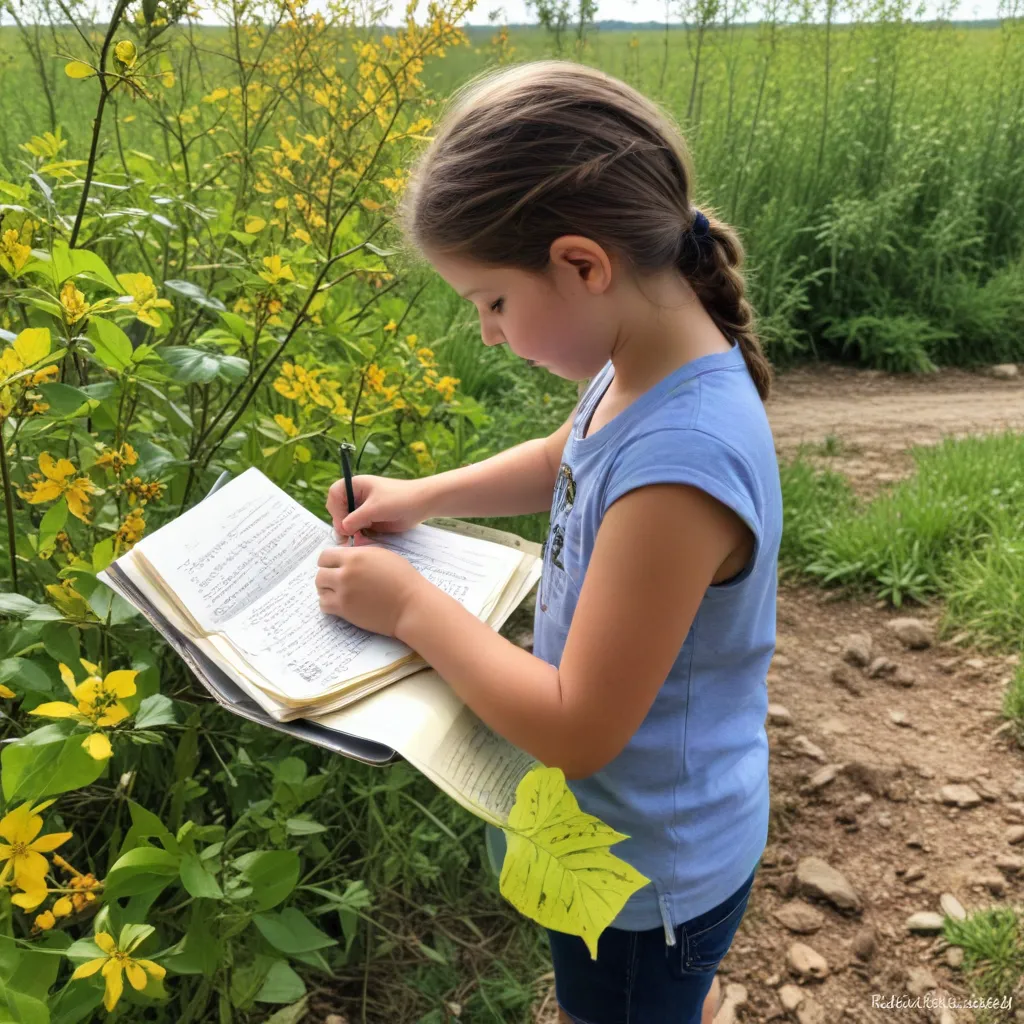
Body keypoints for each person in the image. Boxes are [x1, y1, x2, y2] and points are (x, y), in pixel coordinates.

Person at [314, 59, 782, 1024]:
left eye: (491, 300)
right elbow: (564, 455)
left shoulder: (680, 465)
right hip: (614, 841)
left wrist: (408, 606)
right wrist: (422, 495)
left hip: (645, 880)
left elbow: (576, 726)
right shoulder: (645, 360)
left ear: (581, 263)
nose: (487, 332)